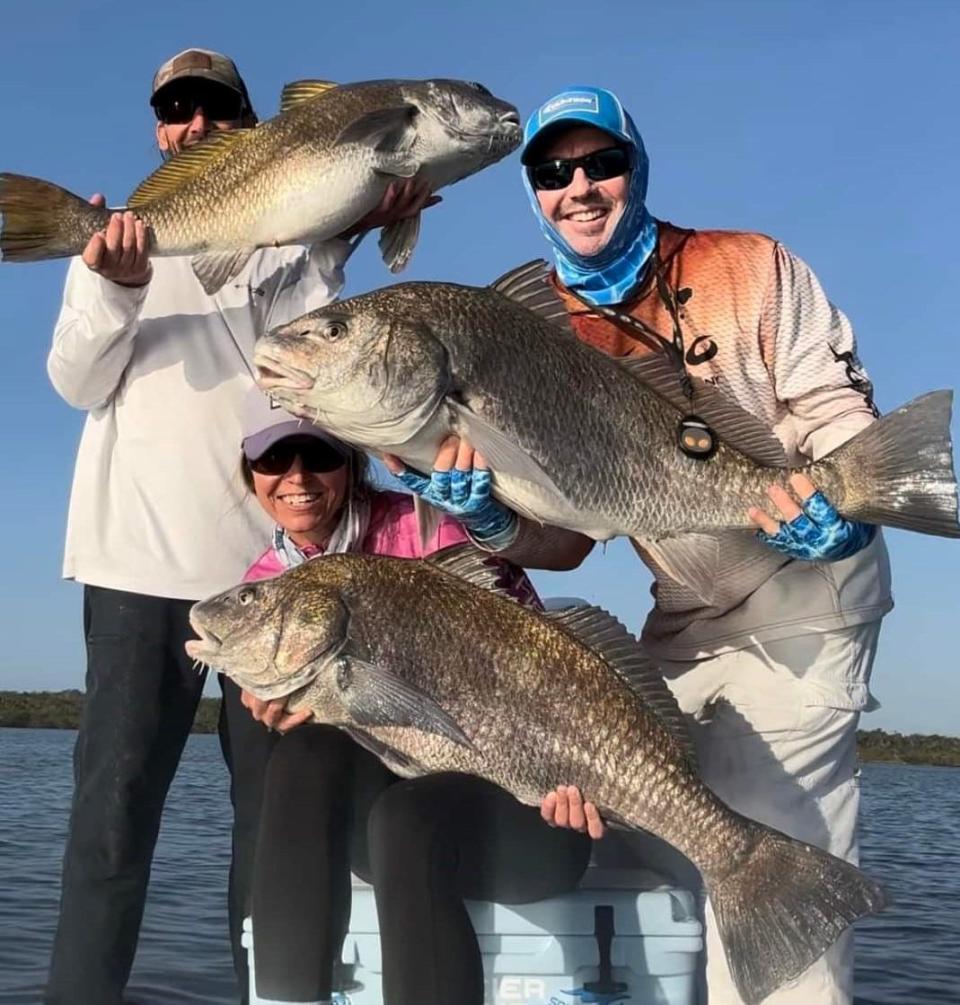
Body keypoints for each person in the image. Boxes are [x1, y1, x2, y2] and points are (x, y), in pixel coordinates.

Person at [44, 47, 437, 1005]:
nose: (195, 122)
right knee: (112, 821)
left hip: (272, 581)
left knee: (272, 829)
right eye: (175, 109)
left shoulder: (291, 234)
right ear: (156, 129)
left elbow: (305, 380)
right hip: (137, 569)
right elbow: (75, 381)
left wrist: (344, 236)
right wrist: (111, 282)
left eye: (216, 108)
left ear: (253, 127)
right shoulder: (120, 250)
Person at [520, 86, 891, 1005]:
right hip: (684, 617)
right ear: (532, 189)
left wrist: (848, 498)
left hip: (807, 601)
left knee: (771, 859)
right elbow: (566, 541)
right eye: (552, 170)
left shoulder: (750, 263)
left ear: (636, 167)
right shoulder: (538, 331)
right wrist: (494, 521)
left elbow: (838, 410)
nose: (579, 186)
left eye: (600, 162)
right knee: (611, 833)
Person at [230, 389, 592, 1005]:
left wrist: (582, 761)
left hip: (529, 810)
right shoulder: (266, 583)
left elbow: (537, 647)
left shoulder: (428, 524)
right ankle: (288, 998)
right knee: (303, 755)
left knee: (408, 817)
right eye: (272, 462)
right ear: (252, 476)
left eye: (316, 456)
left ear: (351, 465)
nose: (296, 478)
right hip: (390, 818)